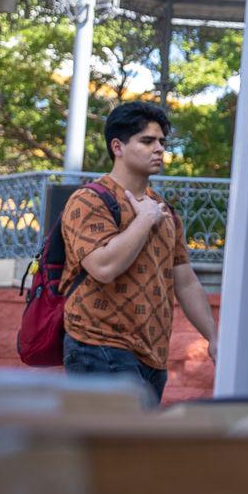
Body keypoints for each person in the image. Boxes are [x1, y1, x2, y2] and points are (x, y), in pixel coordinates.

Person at [61, 101, 217, 403]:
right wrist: (144, 219)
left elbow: (185, 281)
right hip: (98, 344)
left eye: (161, 141)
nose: (158, 148)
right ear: (117, 147)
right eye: (147, 141)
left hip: (152, 356)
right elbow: (104, 267)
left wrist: (213, 337)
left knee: (132, 449)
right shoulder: (89, 200)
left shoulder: (164, 210)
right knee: (114, 448)